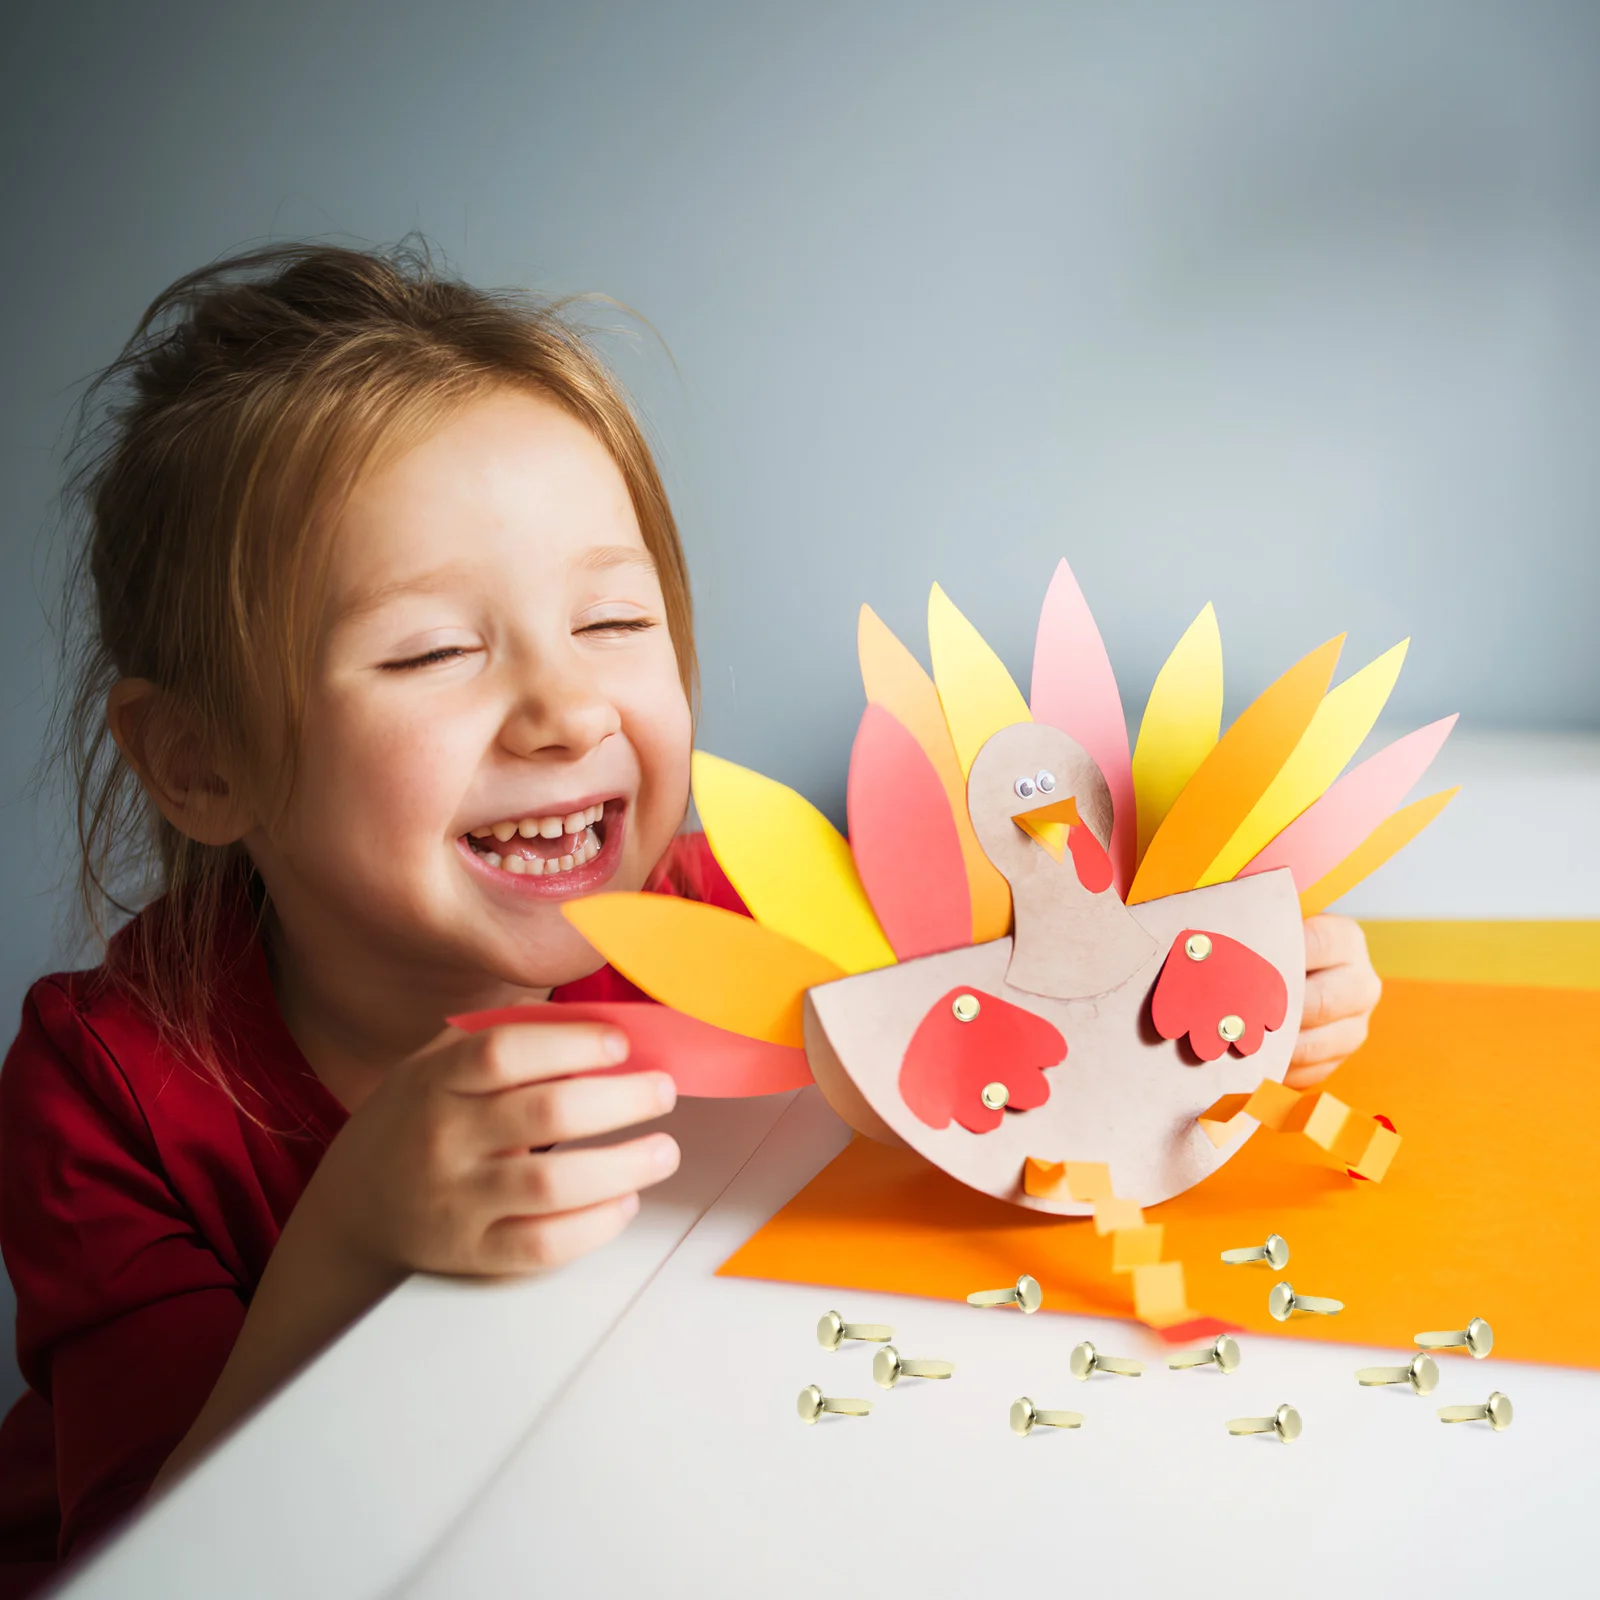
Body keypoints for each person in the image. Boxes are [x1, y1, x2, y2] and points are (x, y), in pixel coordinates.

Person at [0, 242, 1382, 1588]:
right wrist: (352, 1237)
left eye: (612, 622)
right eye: (432, 651)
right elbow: (146, 1559)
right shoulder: (104, 1088)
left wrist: (1222, 1011)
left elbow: (1044, 1016)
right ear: (201, 762)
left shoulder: (741, 927)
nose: (564, 711)